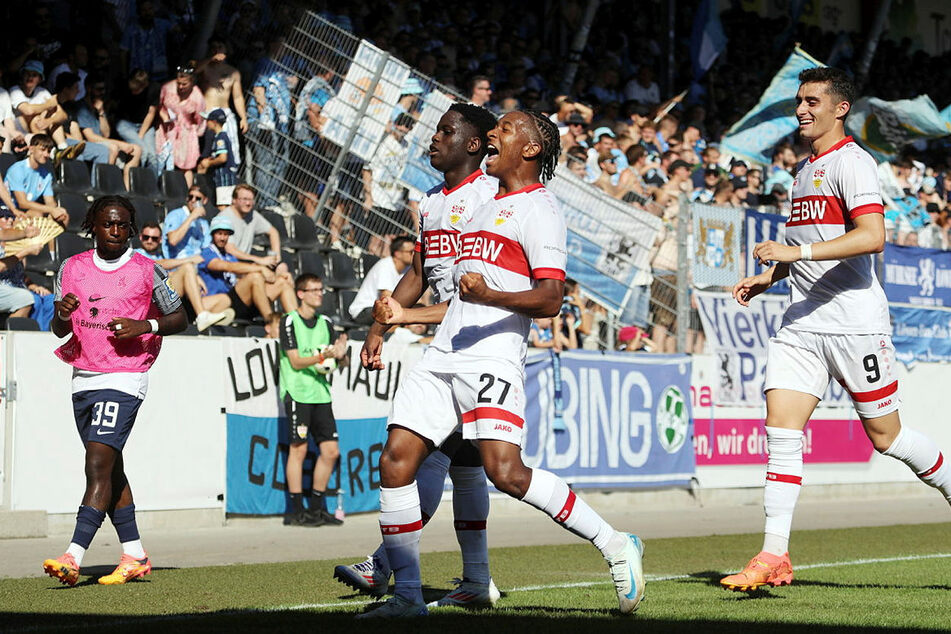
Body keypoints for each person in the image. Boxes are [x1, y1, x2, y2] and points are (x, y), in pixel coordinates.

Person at [358, 110, 644, 618]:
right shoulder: (480, 205)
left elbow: (551, 298)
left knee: (505, 473)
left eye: (506, 130)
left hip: (494, 355)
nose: (495, 134)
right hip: (445, 352)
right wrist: (402, 315)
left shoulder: (541, 209)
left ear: (531, 150)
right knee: (396, 460)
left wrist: (489, 293)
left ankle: (616, 543)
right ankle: (406, 597)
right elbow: (453, 293)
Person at [720, 68, 951, 592]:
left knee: (886, 437)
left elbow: (871, 238)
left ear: (840, 108)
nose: (801, 109)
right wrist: (771, 275)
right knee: (781, 428)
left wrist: (793, 253)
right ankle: (773, 554)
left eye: (812, 101)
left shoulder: (854, 163)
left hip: (854, 324)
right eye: (799, 101)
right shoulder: (805, 170)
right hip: (803, 322)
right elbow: (810, 238)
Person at [335, 104, 500, 608]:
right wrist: (380, 325)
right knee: (461, 463)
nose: (433, 139)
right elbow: (421, 273)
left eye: (445, 132)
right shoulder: (430, 202)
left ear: (473, 144)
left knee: (426, 460)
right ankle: (475, 578)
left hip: (485, 342)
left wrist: (403, 320)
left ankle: (387, 567)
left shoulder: (490, 197)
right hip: (448, 345)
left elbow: (482, 286)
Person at [42, 195, 187, 587]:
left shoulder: (145, 269)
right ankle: (135, 554)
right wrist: (60, 313)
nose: (117, 232)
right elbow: (59, 330)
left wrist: (146, 327)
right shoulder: (70, 268)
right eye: (109, 224)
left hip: (125, 376)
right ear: (93, 225)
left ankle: (72, 556)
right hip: (83, 375)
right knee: (110, 467)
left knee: (96, 463)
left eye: (124, 225)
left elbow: (180, 316)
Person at [279, 273, 348, 527]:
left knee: (331, 451)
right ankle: (297, 511)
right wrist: (323, 356)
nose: (320, 293)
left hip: (321, 394)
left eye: (321, 289)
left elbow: (337, 360)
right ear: (301, 293)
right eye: (314, 289)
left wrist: (341, 354)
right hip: (298, 392)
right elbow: (296, 361)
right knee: (299, 450)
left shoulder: (326, 323)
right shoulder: (289, 321)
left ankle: (318, 508)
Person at [135, 221, 234, 331]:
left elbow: (168, 273)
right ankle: (202, 317)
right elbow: (155, 265)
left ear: (160, 239)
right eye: (146, 237)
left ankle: (197, 320)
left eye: (154, 238)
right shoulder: (135, 254)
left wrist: (194, 277)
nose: (150, 241)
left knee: (224, 299)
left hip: (173, 300)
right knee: (187, 267)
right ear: (140, 237)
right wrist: (188, 260)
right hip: (151, 300)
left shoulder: (165, 255)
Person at [198, 215, 296, 322]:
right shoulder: (207, 253)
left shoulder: (230, 257)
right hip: (221, 302)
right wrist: (260, 268)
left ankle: (297, 324)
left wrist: (277, 276)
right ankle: (271, 322)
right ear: (212, 235)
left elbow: (241, 277)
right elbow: (227, 266)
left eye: (226, 234)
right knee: (255, 277)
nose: (222, 238)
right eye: (219, 234)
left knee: (282, 282)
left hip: (239, 300)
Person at [195, 39, 248, 165]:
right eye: (214, 47)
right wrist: (210, 58)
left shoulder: (233, 72)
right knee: (208, 149)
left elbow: (237, 97)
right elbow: (194, 71)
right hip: (207, 113)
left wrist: (243, 118)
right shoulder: (205, 68)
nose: (217, 50)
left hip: (225, 113)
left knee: (229, 147)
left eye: (220, 47)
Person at [3, 134, 68, 226]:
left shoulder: (46, 174)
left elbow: (49, 201)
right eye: (42, 150)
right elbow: (22, 203)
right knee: (37, 215)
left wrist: (56, 211)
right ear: (31, 149)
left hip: (26, 211)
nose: (46, 154)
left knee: (62, 217)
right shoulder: (17, 170)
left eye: (49, 151)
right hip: (9, 211)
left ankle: (56, 240)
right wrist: (51, 210)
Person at [347, 236, 414, 325]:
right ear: (398, 254)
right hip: (364, 311)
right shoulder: (385, 266)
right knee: (390, 312)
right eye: (410, 252)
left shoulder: (408, 269)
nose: (414, 254)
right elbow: (386, 298)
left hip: (383, 308)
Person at [156, 63, 206, 184]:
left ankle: (185, 195)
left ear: (192, 82)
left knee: (185, 166)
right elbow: (158, 105)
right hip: (166, 128)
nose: (181, 86)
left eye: (184, 84)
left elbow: (200, 119)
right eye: (179, 83)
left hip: (186, 132)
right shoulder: (167, 88)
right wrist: (164, 117)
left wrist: (194, 132)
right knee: (161, 160)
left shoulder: (197, 96)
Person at [196, 109, 237, 208]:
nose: (206, 123)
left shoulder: (220, 138)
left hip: (225, 177)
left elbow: (223, 158)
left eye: (208, 120)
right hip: (224, 177)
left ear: (214, 122)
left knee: (222, 206)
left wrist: (209, 163)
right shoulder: (218, 137)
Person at [162, 186, 211, 259]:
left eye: (198, 198)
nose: (193, 200)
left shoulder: (203, 223)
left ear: (204, 201)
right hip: (177, 262)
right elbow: (173, 241)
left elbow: (206, 247)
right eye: (190, 197)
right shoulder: (176, 215)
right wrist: (191, 217)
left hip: (198, 261)